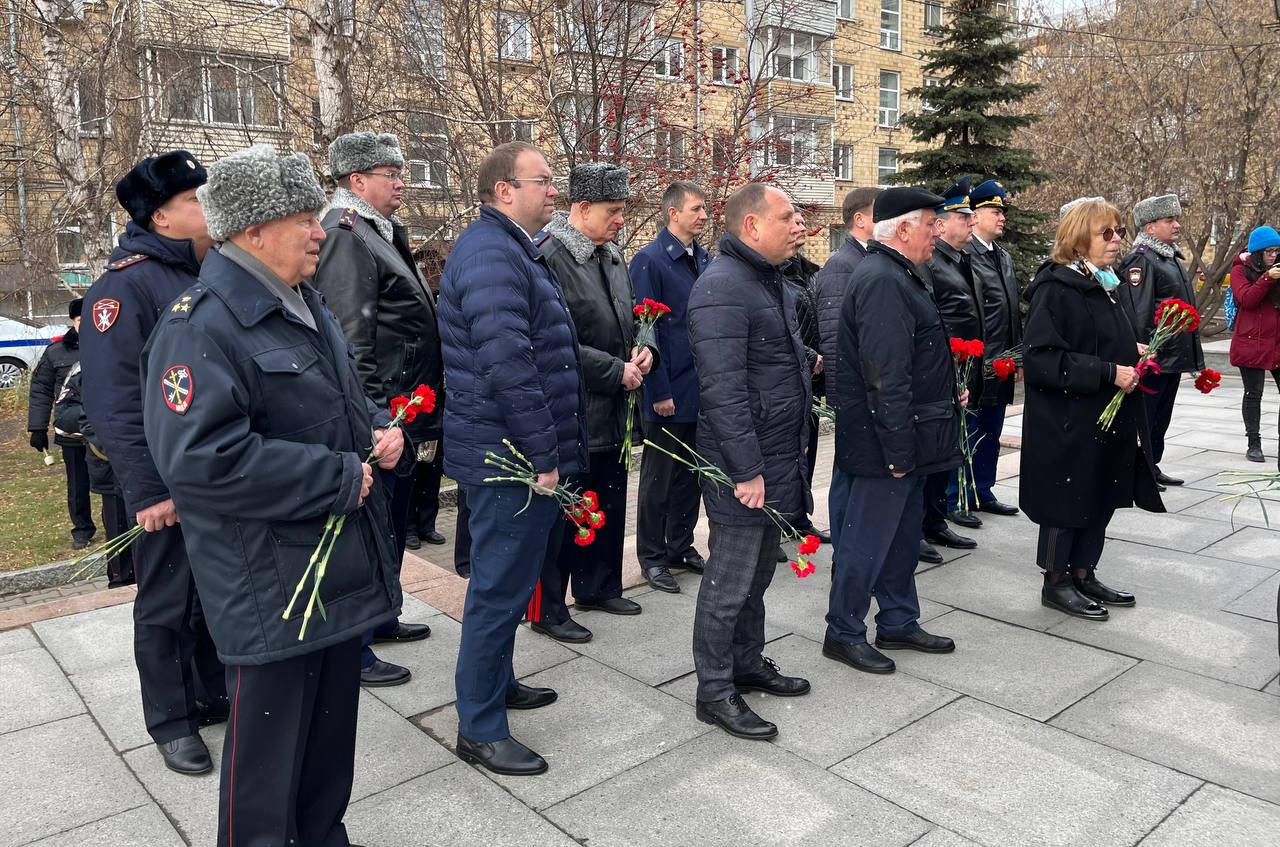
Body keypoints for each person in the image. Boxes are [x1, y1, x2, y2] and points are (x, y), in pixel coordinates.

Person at [141, 144, 406, 847]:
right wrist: (338, 476)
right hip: (270, 586)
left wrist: (377, 428)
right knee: (265, 779)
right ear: (252, 231)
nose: (320, 230)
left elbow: (335, 403)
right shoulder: (199, 324)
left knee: (325, 758)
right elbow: (201, 459)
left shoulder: (304, 301)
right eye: (302, 219)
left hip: (331, 573)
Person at [438, 142, 585, 776]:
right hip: (507, 458)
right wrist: (542, 455)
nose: (554, 191)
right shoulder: (492, 254)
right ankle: (479, 725)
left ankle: (495, 686)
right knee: (498, 592)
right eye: (543, 181)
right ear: (504, 190)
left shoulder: (509, 248)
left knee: (510, 583)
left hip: (509, 448)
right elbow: (510, 365)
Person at [80, 151, 227, 776]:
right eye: (194, 200)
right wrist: (147, 490)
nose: (206, 208)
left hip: (210, 469)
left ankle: (210, 691)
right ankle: (171, 720)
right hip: (165, 481)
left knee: (212, 591)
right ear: (162, 217)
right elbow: (112, 399)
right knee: (166, 601)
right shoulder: (125, 285)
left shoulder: (202, 271)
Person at [314, 131, 439, 687]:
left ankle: (383, 614)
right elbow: (350, 335)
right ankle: (358, 643)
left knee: (391, 521)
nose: (402, 181)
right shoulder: (346, 234)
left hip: (403, 402)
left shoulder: (374, 230)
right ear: (357, 180)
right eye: (391, 172)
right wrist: (376, 419)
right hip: (382, 408)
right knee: (372, 525)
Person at [687, 183, 811, 741]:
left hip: (777, 454)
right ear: (752, 227)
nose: (800, 224)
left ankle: (746, 663)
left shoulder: (768, 281)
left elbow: (767, 362)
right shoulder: (721, 287)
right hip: (745, 466)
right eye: (788, 217)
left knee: (759, 573)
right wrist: (745, 471)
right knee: (730, 579)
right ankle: (714, 690)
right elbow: (723, 390)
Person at [823, 187, 960, 677]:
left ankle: (899, 620)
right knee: (866, 541)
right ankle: (843, 631)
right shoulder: (883, 279)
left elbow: (914, 358)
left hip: (908, 436)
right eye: (930, 224)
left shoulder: (900, 273)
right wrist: (899, 450)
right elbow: (886, 375)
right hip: (886, 443)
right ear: (903, 229)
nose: (936, 232)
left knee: (901, 538)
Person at [1021, 199, 1162, 620]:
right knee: (1067, 499)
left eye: (1118, 231)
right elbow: (1042, 358)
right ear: (1080, 239)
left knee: (1099, 492)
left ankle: (1084, 571)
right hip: (1068, 420)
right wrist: (1107, 371)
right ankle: (1056, 582)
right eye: (1107, 233)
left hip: (1104, 416)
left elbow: (1096, 337)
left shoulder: (1104, 282)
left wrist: (1129, 350)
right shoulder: (1056, 288)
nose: (1117, 239)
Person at [529, 163, 652, 644]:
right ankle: (550, 607)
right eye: (613, 211)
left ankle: (599, 586)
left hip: (616, 409)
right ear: (581, 209)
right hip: (572, 406)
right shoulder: (550, 257)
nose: (622, 219)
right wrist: (613, 370)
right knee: (565, 512)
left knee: (608, 498)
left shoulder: (614, 256)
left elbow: (638, 315)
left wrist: (647, 348)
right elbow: (550, 342)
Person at [631, 181, 711, 594]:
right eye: (696, 209)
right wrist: (657, 390)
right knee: (659, 480)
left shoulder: (703, 258)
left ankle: (681, 545)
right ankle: (652, 557)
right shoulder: (650, 261)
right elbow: (646, 331)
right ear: (672, 213)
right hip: (668, 389)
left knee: (691, 477)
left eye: (704, 209)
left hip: (700, 390)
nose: (703, 215)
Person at [1120, 193, 1205, 487]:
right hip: (1156, 359)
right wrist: (1146, 355)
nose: (1177, 225)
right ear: (1149, 226)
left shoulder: (1168, 257)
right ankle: (1137, 471)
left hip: (1172, 357)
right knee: (1146, 417)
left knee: (1160, 419)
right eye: (1170, 220)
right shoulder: (1141, 261)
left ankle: (1151, 465)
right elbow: (1140, 312)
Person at [916, 178, 981, 564]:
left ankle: (936, 519)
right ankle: (923, 524)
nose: (972, 223)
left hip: (960, 369)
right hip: (942, 370)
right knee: (933, 451)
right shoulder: (931, 262)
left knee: (947, 451)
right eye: (964, 216)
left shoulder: (958, 258)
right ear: (940, 225)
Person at [949, 178, 1021, 527]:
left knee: (991, 429)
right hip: (978, 360)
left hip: (1002, 360)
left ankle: (984, 489)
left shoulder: (1001, 256)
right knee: (969, 430)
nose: (1002, 216)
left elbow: (1010, 311)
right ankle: (958, 495)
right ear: (974, 216)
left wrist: (1016, 356)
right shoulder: (967, 256)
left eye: (1002, 211)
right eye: (994, 210)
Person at [816, 186, 881, 554]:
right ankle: (844, 548)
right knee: (846, 474)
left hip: (867, 393)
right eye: (880, 214)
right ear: (860, 219)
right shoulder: (842, 266)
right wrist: (845, 401)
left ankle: (858, 544)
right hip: (854, 396)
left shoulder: (868, 260)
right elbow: (835, 339)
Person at [52, 362, 135, 587]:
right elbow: (63, 416)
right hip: (110, 469)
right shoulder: (84, 368)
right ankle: (121, 581)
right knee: (120, 543)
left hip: (149, 470)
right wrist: (99, 419)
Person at [779, 215, 831, 553]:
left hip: (809, 378)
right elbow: (782, 329)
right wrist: (809, 354)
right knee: (784, 454)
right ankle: (776, 521)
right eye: (793, 223)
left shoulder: (808, 272)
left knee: (807, 447)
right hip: (786, 377)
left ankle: (798, 517)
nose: (801, 228)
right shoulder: (773, 274)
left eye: (802, 223)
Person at [28, 298, 94, 549]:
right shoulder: (56, 352)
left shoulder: (107, 345)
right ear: (72, 322)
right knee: (77, 483)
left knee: (114, 483)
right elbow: (41, 390)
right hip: (72, 429)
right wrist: (37, 428)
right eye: (80, 321)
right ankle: (82, 529)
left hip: (103, 430)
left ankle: (117, 523)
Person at [1228, 226, 1280, 465]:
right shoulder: (1241, 270)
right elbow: (1247, 299)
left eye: (1277, 250)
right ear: (1258, 252)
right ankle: (1253, 443)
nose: (1273, 255)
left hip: (1276, 341)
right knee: (1253, 394)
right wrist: (1268, 278)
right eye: (1269, 251)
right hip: (1252, 342)